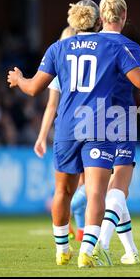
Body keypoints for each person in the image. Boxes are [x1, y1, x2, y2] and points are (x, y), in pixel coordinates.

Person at [7, 0, 140, 268]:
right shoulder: (111, 46)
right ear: (99, 22)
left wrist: (18, 80)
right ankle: (88, 250)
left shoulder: (58, 48)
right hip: (101, 125)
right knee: (97, 192)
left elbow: (32, 89)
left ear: (73, 23)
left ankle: (62, 250)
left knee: (62, 191)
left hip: (66, 127)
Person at [92, 0, 140, 266]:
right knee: (120, 183)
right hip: (119, 120)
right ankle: (101, 244)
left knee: (110, 190)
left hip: (87, 120)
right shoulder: (131, 47)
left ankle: (130, 251)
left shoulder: (88, 44)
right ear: (125, 15)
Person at [33, 26, 86, 242]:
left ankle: (80, 231)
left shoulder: (61, 65)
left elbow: (51, 106)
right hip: (89, 127)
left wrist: (42, 136)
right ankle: (62, 210)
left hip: (67, 129)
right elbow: (50, 106)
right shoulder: (88, 65)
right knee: (89, 186)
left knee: (79, 185)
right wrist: (41, 136)